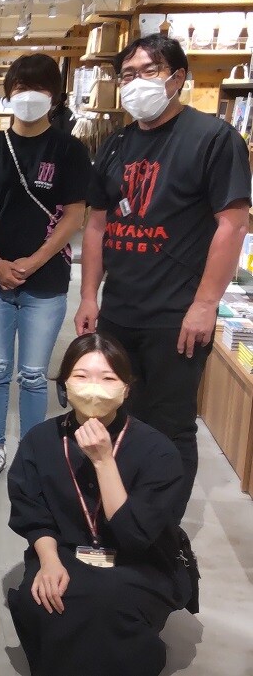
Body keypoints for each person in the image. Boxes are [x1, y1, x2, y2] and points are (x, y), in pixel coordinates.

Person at [74, 34, 251, 516]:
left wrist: (205, 304)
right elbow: (97, 223)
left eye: (148, 71)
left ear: (177, 78)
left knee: (169, 426)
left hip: (177, 316)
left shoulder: (213, 139)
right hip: (119, 311)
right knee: (112, 416)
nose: (136, 83)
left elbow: (233, 225)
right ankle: (118, 514)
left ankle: (161, 528)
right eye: (127, 75)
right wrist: (89, 296)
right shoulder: (117, 144)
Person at [7, 333, 192, 676]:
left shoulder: (157, 450)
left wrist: (104, 461)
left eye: (108, 378)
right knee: (51, 600)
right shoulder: (41, 440)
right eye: (81, 376)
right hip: (65, 552)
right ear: (65, 384)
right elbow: (32, 513)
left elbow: (135, 535)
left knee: (107, 602)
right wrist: (48, 561)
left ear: (126, 388)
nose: (94, 388)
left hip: (139, 560)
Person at [0, 54, 92, 484]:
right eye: (20, 87)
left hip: (45, 281)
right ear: (8, 93)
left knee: (33, 375)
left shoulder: (70, 150)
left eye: (39, 88)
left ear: (55, 96)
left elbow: (74, 216)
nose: (28, 96)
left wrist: (33, 261)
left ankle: (33, 455)